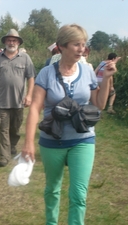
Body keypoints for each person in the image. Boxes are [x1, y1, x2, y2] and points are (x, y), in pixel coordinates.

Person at [21, 24, 119, 224]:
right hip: (52, 141)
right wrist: (29, 142)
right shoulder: (46, 73)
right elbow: (35, 108)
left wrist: (107, 79)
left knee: (78, 195)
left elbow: (99, 104)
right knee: (52, 190)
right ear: (62, 46)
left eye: (83, 44)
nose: (81, 49)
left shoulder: (88, 71)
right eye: (76, 44)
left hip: (83, 140)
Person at [0, 29, 36, 167]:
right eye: (9, 40)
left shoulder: (25, 58)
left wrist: (29, 95)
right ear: (5, 42)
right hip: (2, 101)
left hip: (19, 101)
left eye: (14, 40)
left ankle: (12, 145)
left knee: (15, 128)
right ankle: (4, 156)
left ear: (18, 42)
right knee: (3, 129)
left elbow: (31, 77)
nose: (11, 42)